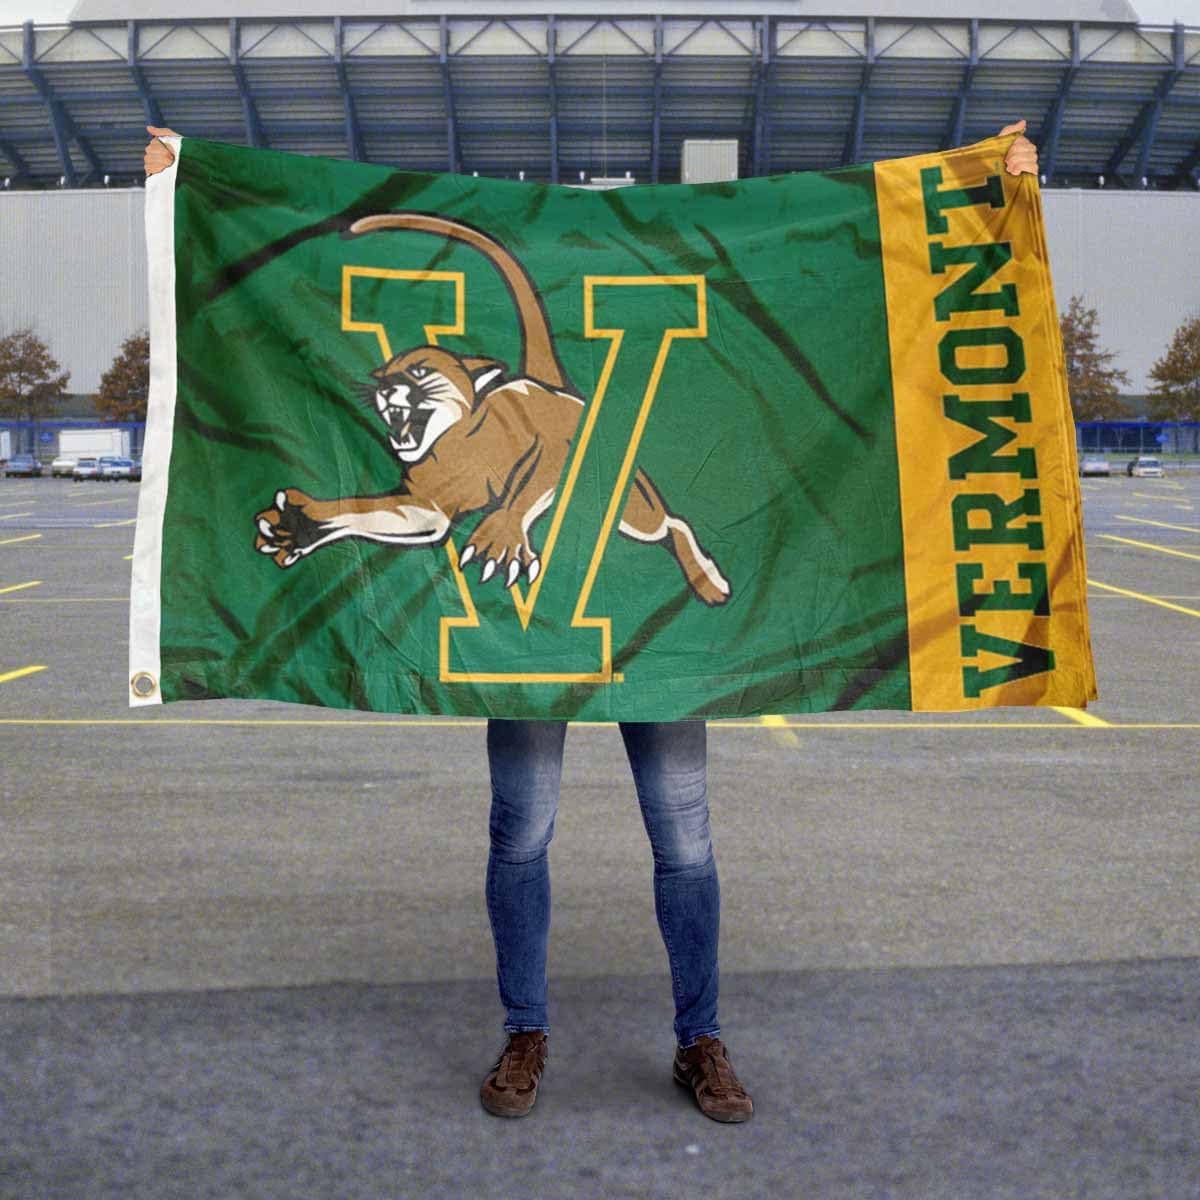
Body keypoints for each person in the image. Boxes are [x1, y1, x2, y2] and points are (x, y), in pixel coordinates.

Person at [142, 119, 1039, 1124]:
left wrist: (992, 188)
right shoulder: (436, 458)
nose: (398, 412)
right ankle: (525, 1030)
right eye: (390, 402)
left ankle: (700, 1038)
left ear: (469, 381)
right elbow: (423, 516)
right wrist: (327, 518)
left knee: (683, 838)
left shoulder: (519, 401)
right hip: (530, 637)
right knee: (520, 835)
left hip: (653, 631)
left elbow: (567, 444)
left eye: (414, 391)